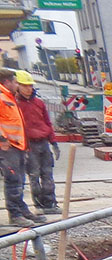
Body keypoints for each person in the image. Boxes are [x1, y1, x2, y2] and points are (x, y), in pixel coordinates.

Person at [0, 69, 43, 226]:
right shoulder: (2, 98)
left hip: (17, 146)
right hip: (7, 147)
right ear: (7, 82)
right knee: (12, 180)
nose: (17, 85)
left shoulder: (9, 98)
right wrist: (2, 139)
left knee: (19, 180)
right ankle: (15, 214)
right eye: (15, 82)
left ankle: (21, 209)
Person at [14, 70, 60, 216]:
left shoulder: (38, 103)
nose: (29, 88)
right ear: (18, 86)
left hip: (43, 142)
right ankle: (39, 204)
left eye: (30, 86)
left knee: (47, 174)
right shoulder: (16, 104)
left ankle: (50, 203)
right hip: (29, 145)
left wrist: (54, 142)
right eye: (25, 86)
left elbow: (47, 122)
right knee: (34, 175)